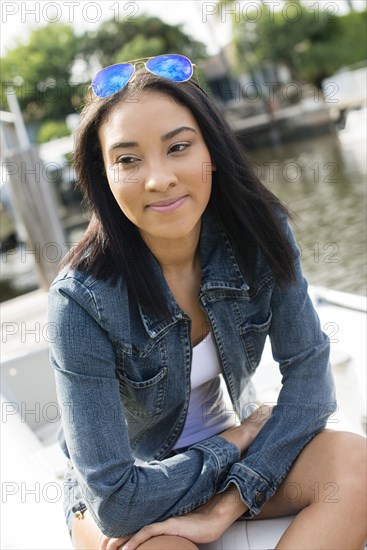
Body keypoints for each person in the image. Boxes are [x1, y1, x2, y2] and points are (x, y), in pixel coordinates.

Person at [48, 54, 366, 550]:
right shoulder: (80, 301)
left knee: (356, 466)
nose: (159, 179)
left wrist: (230, 501)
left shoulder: (259, 238)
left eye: (178, 147)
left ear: (210, 151)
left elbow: (310, 382)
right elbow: (116, 501)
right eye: (128, 159)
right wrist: (236, 441)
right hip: (132, 484)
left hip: (225, 465)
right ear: (104, 175)